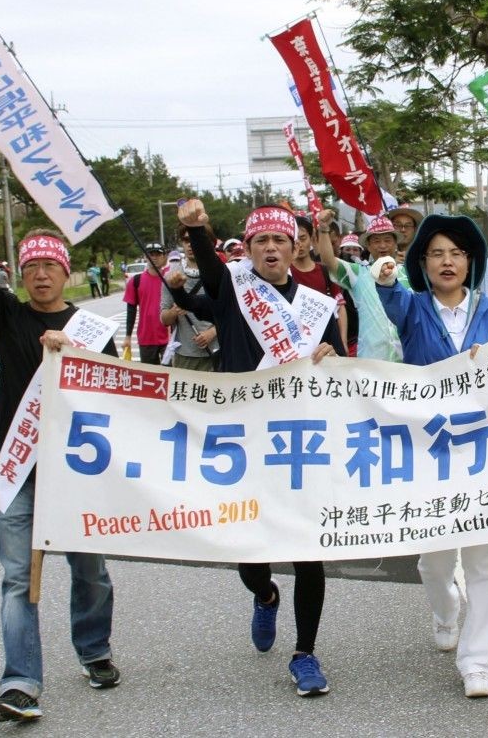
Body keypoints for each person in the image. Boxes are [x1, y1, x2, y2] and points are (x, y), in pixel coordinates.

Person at [0, 192, 121, 723]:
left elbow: (117, 396)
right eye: (32, 266)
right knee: (17, 579)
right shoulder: (7, 316)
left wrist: (73, 354)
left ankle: (94, 650)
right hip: (20, 474)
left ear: (65, 272)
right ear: (21, 274)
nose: (40, 275)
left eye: (50, 266)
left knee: (91, 573)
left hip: (77, 474)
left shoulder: (91, 331)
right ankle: (20, 683)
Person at [174, 199, 345, 698]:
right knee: (251, 553)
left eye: (280, 240)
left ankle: (305, 653)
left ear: (296, 247)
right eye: (261, 241)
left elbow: (341, 366)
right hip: (243, 441)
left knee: (308, 552)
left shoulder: (315, 305)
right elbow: (210, 268)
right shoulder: (232, 289)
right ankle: (265, 594)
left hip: (299, 440)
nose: (271, 248)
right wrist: (197, 228)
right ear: (248, 249)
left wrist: (331, 354)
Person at [374, 214, 488, 699]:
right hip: (428, 452)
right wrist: (385, 277)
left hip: (481, 452)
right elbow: (388, 300)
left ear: (470, 261)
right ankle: (445, 610)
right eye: (436, 253)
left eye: (456, 253)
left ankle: (477, 662)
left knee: (484, 562)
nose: (447, 261)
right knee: (434, 562)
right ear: (423, 263)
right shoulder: (412, 307)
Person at [314, 212, 408, 362]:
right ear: (368, 246)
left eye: (387, 240)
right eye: (376, 241)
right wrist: (324, 229)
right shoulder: (358, 273)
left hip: (408, 361)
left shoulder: (409, 274)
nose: (382, 245)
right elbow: (328, 261)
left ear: (395, 243)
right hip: (372, 363)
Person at [160, 226, 218, 371]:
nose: (191, 244)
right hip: (184, 356)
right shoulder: (171, 276)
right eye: (186, 240)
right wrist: (174, 311)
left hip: (218, 352)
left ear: (210, 243)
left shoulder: (221, 274)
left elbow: (233, 313)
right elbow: (164, 319)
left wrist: (212, 332)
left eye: (196, 239)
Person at [293, 216, 348, 351]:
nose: (299, 244)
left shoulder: (324, 271)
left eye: (303, 238)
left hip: (327, 345)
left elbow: (340, 307)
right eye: (294, 240)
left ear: (312, 238)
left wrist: (343, 341)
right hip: (298, 346)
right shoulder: (285, 273)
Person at [122, 242, 169, 364]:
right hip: (146, 337)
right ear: (145, 256)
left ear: (164, 256)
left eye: (158, 254)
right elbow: (131, 310)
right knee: (150, 374)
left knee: (171, 373)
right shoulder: (135, 281)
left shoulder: (170, 279)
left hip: (169, 337)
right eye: (151, 254)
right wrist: (128, 336)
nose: (154, 257)